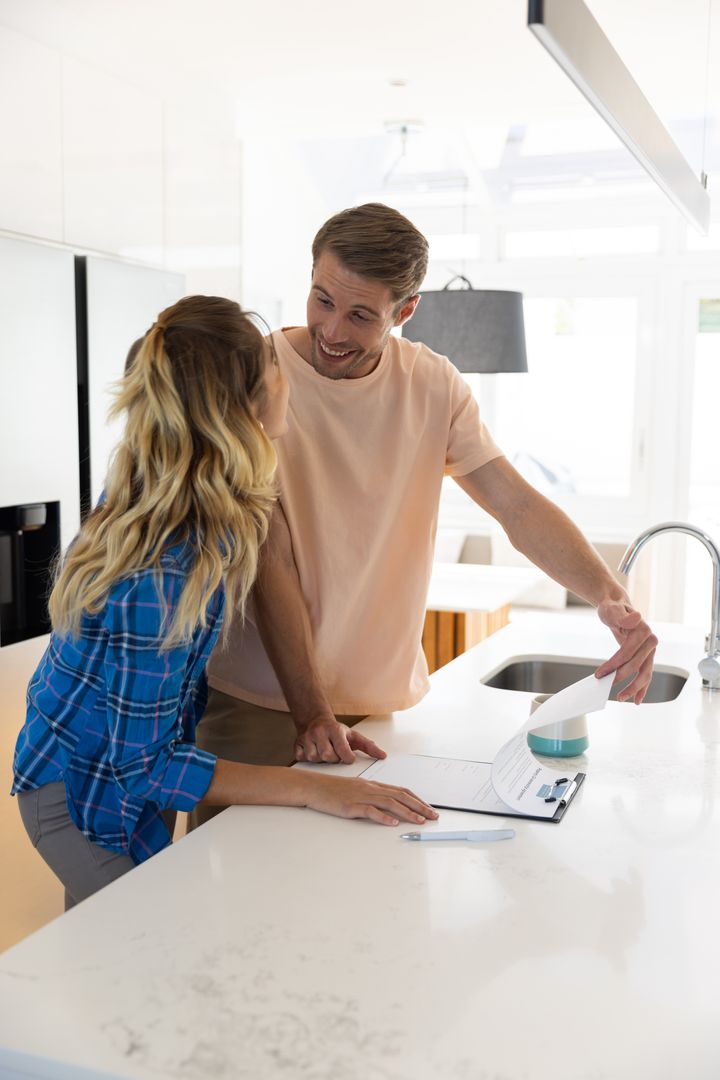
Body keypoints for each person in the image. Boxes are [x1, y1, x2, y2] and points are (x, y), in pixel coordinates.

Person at [192, 204, 657, 822]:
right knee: (232, 903)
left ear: (404, 312)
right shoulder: (260, 376)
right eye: (322, 299)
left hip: (382, 709)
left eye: (361, 315)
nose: (332, 330)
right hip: (260, 704)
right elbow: (267, 557)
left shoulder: (433, 384)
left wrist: (608, 595)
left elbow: (516, 505)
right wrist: (310, 711)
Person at [11, 294, 438, 910]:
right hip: (81, 796)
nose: (286, 379)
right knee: (150, 954)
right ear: (241, 409)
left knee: (120, 973)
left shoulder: (190, 493)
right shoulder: (163, 572)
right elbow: (145, 766)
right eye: (274, 372)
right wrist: (314, 791)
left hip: (110, 777)